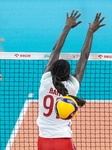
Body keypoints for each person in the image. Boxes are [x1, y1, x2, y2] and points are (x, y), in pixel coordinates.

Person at [37, 9, 105, 150]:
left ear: (52, 70)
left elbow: (56, 49)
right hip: (63, 140)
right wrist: (90, 31)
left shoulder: (46, 81)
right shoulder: (72, 86)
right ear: (69, 74)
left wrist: (67, 26)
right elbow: (84, 56)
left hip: (43, 141)